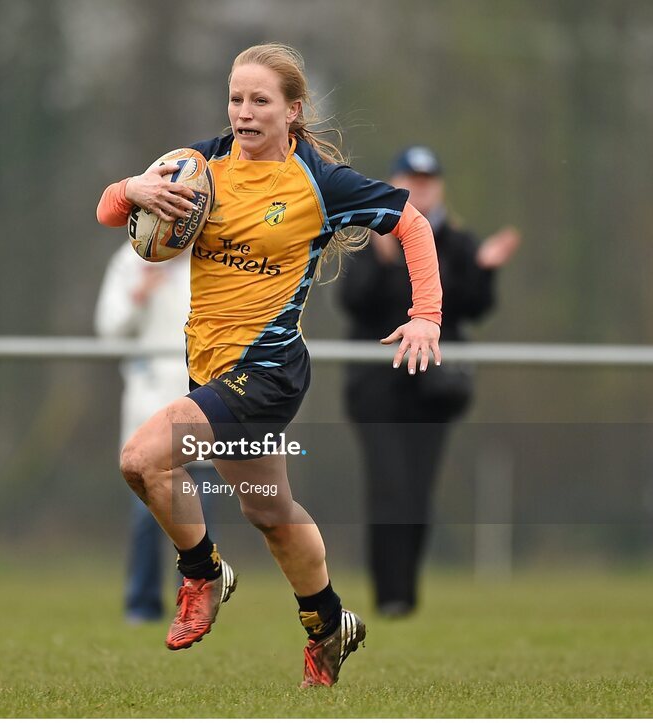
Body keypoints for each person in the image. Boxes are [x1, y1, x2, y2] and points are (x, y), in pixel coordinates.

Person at [95, 44, 443, 688]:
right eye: (235, 99)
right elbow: (112, 214)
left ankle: (201, 572)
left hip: (268, 371)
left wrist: (427, 315)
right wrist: (130, 188)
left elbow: (412, 223)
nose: (245, 113)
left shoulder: (319, 183)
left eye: (260, 101)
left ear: (293, 111)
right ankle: (330, 621)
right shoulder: (199, 165)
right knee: (270, 512)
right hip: (209, 369)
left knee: (142, 459)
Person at [339, 145, 521, 618]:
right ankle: (390, 596)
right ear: (396, 181)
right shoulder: (371, 231)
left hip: (433, 386)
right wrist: (381, 260)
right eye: (410, 178)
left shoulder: (457, 240)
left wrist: (484, 270)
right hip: (376, 385)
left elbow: (473, 307)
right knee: (389, 486)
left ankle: (406, 594)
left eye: (428, 179)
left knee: (418, 490)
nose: (419, 186)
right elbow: (353, 302)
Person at [94, 243, 220, 624]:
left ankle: (195, 607)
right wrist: (138, 295)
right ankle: (142, 604)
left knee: (201, 516)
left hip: (204, 404)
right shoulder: (130, 261)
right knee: (148, 516)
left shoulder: (217, 255)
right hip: (149, 406)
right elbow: (109, 332)